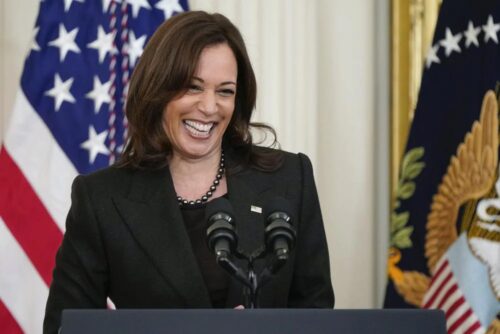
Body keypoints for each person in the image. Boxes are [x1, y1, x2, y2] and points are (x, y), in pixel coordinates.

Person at [43, 11, 334, 334]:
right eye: (193, 87)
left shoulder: (290, 178)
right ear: (158, 90)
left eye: (225, 91)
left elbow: (316, 315)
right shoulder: (101, 199)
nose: (210, 107)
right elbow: (63, 328)